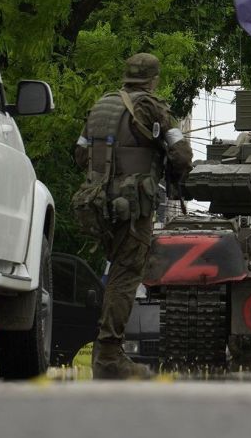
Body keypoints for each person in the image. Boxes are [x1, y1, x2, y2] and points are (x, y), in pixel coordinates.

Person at [73, 53, 193, 380]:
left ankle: (105, 352)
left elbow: (80, 154)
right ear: (154, 79)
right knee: (127, 275)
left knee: (113, 275)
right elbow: (182, 154)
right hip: (133, 205)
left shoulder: (101, 106)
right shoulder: (152, 107)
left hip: (97, 204)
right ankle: (109, 356)